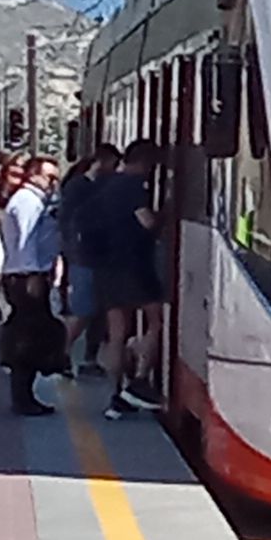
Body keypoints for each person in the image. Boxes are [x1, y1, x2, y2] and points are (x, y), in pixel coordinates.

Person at [84, 143, 163, 419]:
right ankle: (139, 380)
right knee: (155, 321)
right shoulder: (133, 187)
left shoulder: (104, 185)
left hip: (105, 267)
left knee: (117, 333)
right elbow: (147, 222)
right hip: (134, 266)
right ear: (144, 162)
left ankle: (115, 396)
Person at [0, 154, 65, 416]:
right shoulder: (27, 202)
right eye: (49, 177)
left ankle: (26, 394)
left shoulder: (35, 201)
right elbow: (25, 242)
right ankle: (22, 398)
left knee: (33, 335)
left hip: (30, 275)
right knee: (28, 338)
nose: (53, 183)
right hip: (26, 278)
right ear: (33, 174)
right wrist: (34, 274)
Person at [53, 151, 109, 375]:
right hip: (85, 256)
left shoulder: (82, 186)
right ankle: (63, 354)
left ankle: (87, 358)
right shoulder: (81, 188)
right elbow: (72, 222)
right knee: (85, 309)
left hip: (90, 255)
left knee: (96, 310)